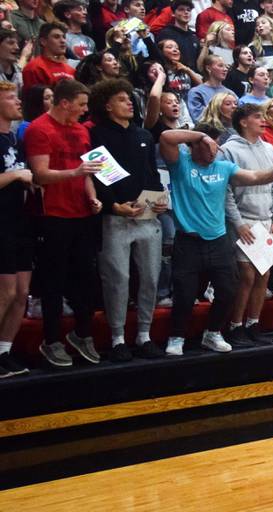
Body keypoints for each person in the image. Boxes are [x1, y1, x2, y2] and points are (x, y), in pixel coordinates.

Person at [159, 124, 273, 356]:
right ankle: (176, 336)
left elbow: (255, 176)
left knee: (228, 290)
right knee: (186, 294)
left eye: (217, 146)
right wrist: (201, 135)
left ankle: (213, 333)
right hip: (188, 241)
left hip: (218, 241)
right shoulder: (181, 164)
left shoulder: (223, 167)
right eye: (211, 146)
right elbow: (165, 137)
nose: (215, 151)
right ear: (195, 145)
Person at [88, 78, 168, 362]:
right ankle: (118, 337)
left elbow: (153, 174)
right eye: (123, 99)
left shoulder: (143, 135)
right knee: (117, 278)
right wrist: (114, 206)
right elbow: (99, 175)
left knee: (150, 276)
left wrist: (160, 199)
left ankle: (145, 334)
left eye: (130, 99)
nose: (130, 103)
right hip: (116, 217)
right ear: (107, 105)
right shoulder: (97, 134)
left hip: (147, 215)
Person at [25, 79, 104, 367]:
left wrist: (93, 197)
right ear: (64, 103)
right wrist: (76, 172)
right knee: (53, 282)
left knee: (85, 279)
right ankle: (52, 340)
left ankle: (82, 334)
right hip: (52, 216)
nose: (85, 111)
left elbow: (88, 173)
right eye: (82, 105)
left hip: (81, 214)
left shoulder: (82, 130)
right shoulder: (39, 129)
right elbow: (41, 175)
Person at [219, 104, 273, 346]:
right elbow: (225, 190)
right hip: (243, 220)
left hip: (265, 220)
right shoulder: (228, 150)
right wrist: (238, 222)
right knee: (246, 275)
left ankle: (253, 323)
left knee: (264, 274)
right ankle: (234, 325)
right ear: (243, 122)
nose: (262, 120)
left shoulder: (269, 148)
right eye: (257, 117)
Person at [0, 81, 33, 377]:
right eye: (11, 97)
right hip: (2, 225)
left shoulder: (11, 138)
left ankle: (4, 351)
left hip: (20, 221)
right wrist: (15, 176)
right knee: (6, 292)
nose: (18, 102)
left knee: (22, 293)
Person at [22, 23, 76, 88]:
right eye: (56, 37)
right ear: (43, 41)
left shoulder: (71, 70)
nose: (63, 41)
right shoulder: (34, 68)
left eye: (64, 37)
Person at [187, 55, 236, 123]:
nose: (225, 69)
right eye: (220, 66)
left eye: (226, 66)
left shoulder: (230, 93)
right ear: (208, 68)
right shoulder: (196, 92)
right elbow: (198, 118)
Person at [155, 0, 200, 70]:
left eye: (188, 10)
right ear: (173, 13)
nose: (186, 12)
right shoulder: (166, 34)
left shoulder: (194, 37)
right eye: (181, 9)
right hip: (174, 75)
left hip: (193, 76)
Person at [54, 0, 95, 67]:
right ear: (67, 14)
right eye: (79, 10)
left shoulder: (90, 41)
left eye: (84, 9)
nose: (85, 12)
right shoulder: (62, 38)